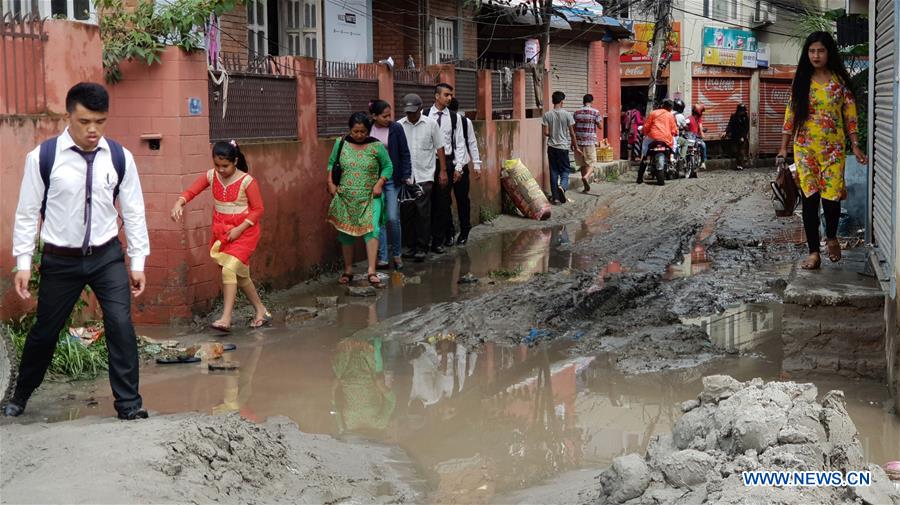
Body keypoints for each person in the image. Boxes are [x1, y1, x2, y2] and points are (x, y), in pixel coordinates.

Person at [8, 82, 149, 420]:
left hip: (107, 257)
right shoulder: (43, 158)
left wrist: (138, 260)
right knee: (46, 330)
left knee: (119, 324)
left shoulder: (119, 157)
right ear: (68, 116)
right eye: (85, 121)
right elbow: (27, 213)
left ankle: (129, 405)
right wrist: (24, 263)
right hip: (60, 260)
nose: (92, 130)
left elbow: (133, 211)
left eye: (100, 122)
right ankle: (20, 396)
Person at [778, 31, 866, 270]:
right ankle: (814, 252)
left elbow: (850, 117)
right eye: (812, 51)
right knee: (810, 199)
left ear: (829, 53)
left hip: (833, 150)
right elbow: (791, 115)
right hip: (805, 149)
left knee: (832, 198)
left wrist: (855, 145)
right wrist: (783, 147)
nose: (816, 55)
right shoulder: (801, 81)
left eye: (821, 50)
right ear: (807, 54)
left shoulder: (840, 83)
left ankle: (832, 237)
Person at [171, 141, 271, 330]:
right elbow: (192, 190)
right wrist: (179, 202)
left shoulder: (247, 181)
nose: (221, 170)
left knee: (228, 270)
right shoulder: (211, 176)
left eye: (225, 166)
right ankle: (261, 310)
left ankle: (226, 318)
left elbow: (258, 210)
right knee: (241, 276)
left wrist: (240, 228)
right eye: (217, 165)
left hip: (245, 233)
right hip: (222, 232)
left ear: (235, 161)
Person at [326, 112, 394, 287]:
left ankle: (371, 271)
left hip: (371, 196)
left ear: (368, 131)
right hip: (345, 197)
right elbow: (331, 164)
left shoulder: (376, 147)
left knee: (373, 229)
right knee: (345, 233)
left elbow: (388, 166)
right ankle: (348, 270)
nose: (359, 135)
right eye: (355, 131)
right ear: (350, 130)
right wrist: (330, 183)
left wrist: (380, 183)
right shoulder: (340, 144)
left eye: (363, 131)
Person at [398, 94, 447, 262]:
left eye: (413, 112)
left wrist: (443, 171)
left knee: (422, 212)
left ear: (420, 109)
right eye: (408, 112)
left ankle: (422, 246)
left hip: (425, 175)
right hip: (406, 177)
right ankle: (409, 246)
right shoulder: (399, 126)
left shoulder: (431, 124)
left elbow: (440, 148)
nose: (410, 115)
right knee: (407, 212)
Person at [370, 100, 412, 271]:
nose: (388, 118)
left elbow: (404, 152)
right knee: (379, 219)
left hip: (392, 179)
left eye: (390, 115)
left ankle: (396, 254)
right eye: (384, 116)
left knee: (393, 218)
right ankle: (383, 257)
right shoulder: (367, 128)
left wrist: (406, 174)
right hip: (373, 180)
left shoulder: (396, 129)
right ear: (374, 116)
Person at [427, 83, 467, 251]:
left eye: (451, 95)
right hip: (428, 163)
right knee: (430, 201)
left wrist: (459, 167)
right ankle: (432, 237)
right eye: (446, 95)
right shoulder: (425, 115)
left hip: (448, 162)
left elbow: (459, 143)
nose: (449, 98)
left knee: (443, 202)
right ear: (437, 96)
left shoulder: (454, 117)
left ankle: (439, 240)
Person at [445, 97, 482, 245]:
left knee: (462, 199)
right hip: (445, 166)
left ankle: (465, 229)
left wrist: (476, 164)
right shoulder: (436, 121)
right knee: (444, 200)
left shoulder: (465, 122)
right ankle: (449, 232)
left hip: (461, 165)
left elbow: (471, 142)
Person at [543, 91, 581, 204]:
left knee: (553, 171)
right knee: (565, 170)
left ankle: (555, 198)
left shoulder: (547, 115)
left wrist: (553, 134)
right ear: (562, 102)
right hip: (563, 147)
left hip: (551, 147)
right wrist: (575, 145)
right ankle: (563, 187)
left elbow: (545, 132)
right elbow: (572, 133)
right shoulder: (567, 114)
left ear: (553, 101)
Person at [636, 99, 678, 184]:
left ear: (662, 105)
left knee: (645, 152)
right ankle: (672, 158)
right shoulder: (670, 115)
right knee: (674, 146)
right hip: (666, 138)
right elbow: (674, 130)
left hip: (653, 137)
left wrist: (645, 132)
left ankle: (639, 178)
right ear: (670, 108)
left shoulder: (653, 113)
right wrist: (674, 133)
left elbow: (646, 127)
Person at [574, 94, 603, 192]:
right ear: (592, 101)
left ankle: (585, 187)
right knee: (592, 163)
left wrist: (573, 143)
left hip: (578, 142)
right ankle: (586, 177)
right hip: (590, 141)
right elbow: (600, 126)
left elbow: (574, 128)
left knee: (583, 164)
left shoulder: (577, 112)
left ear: (583, 101)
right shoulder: (595, 112)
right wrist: (596, 122)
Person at [724, 104, 750, 170]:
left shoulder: (746, 118)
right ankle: (738, 164)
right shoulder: (734, 116)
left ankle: (741, 165)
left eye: (743, 111)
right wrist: (726, 132)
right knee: (735, 151)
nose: (742, 112)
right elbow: (730, 125)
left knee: (741, 151)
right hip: (735, 136)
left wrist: (743, 137)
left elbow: (746, 129)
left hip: (742, 137)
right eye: (741, 111)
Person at [686, 104, 708, 169]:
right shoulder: (689, 119)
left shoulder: (699, 119)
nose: (702, 113)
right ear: (698, 112)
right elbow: (684, 124)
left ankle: (703, 162)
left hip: (697, 138)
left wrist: (702, 132)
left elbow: (700, 128)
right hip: (690, 138)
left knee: (703, 145)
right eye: (701, 112)